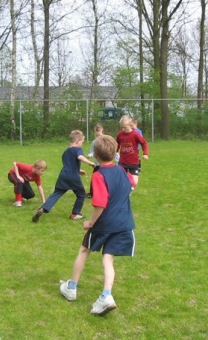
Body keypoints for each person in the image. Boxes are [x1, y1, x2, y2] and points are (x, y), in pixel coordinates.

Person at [59, 135, 136, 316]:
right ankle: (106, 296)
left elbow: (100, 203)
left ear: (95, 156)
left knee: (84, 250)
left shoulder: (99, 175)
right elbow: (131, 185)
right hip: (124, 223)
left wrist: (91, 222)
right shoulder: (122, 170)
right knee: (108, 259)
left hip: (105, 224)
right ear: (115, 152)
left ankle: (71, 288)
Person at [32, 130, 95, 222]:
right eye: (82, 142)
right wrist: (91, 163)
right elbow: (79, 157)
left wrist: (79, 170)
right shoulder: (78, 150)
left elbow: (69, 165)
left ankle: (43, 208)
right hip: (73, 177)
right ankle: (75, 214)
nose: (82, 144)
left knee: (57, 193)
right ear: (77, 141)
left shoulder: (65, 152)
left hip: (63, 176)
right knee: (81, 194)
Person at [116, 115, 149, 187]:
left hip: (133, 162)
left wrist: (145, 154)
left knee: (134, 182)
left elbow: (144, 143)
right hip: (122, 161)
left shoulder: (135, 134)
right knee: (119, 180)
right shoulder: (120, 134)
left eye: (125, 127)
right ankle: (123, 192)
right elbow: (117, 143)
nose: (123, 129)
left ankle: (129, 190)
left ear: (131, 125)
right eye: (122, 127)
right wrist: (115, 152)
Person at [86, 124, 105, 198]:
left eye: (99, 135)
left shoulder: (105, 141)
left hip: (104, 164)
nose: (98, 137)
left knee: (104, 179)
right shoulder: (94, 142)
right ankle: (92, 193)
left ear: (102, 132)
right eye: (96, 135)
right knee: (94, 178)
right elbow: (92, 151)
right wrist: (90, 155)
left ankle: (105, 193)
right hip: (97, 164)